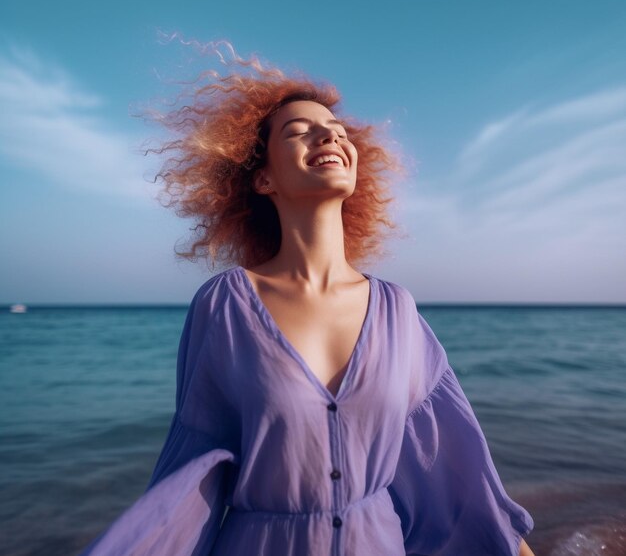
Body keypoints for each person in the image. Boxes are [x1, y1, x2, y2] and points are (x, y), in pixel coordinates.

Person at [77, 43, 535, 555]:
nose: (330, 134)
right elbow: (192, 476)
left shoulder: (397, 311)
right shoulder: (226, 305)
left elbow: (450, 465)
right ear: (263, 178)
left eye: (337, 130)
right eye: (300, 131)